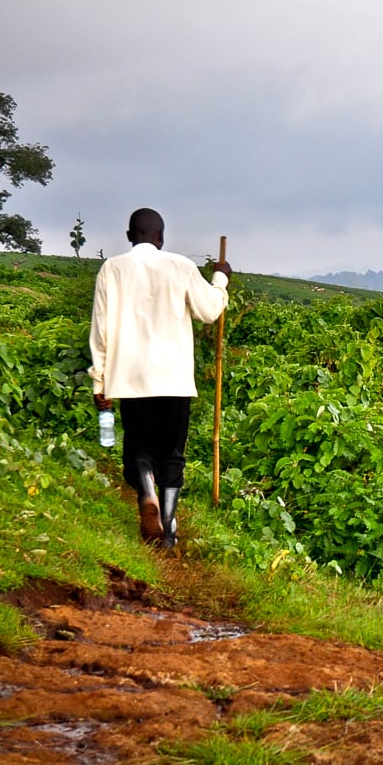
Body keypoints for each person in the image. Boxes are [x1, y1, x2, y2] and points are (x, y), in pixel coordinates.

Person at [89, 208, 231, 549]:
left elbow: (100, 329)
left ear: (129, 236)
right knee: (172, 454)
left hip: (130, 379)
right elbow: (210, 311)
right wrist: (221, 278)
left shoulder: (112, 269)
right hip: (174, 380)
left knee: (138, 449)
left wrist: (100, 382)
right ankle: (168, 531)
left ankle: (147, 492)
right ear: (161, 237)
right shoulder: (180, 266)